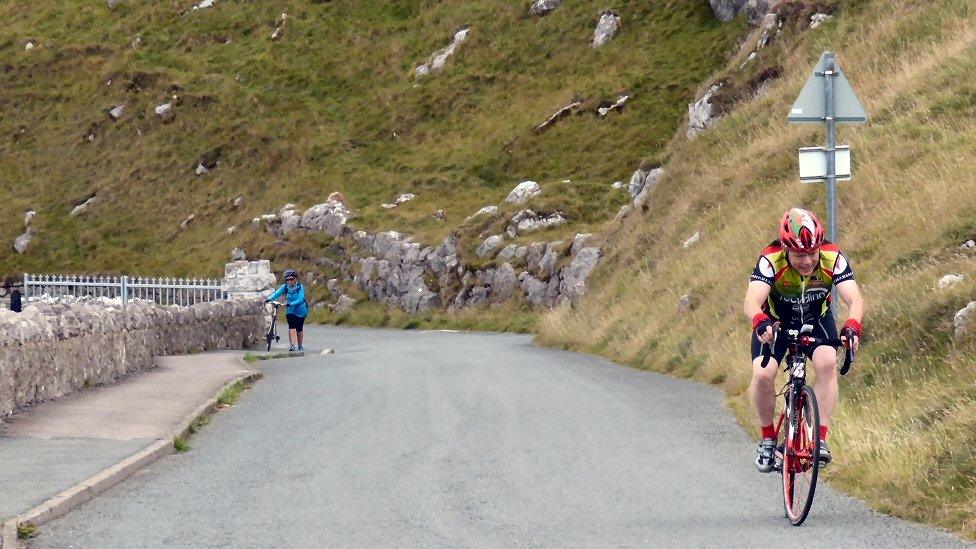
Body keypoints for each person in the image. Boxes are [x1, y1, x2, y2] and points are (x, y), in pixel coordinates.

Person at [744, 208, 864, 472]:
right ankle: (767, 438)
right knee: (763, 375)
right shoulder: (771, 259)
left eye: (812, 253)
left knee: (827, 363)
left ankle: (819, 438)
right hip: (775, 323)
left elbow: (854, 298)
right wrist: (759, 320)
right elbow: (751, 301)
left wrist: (852, 324)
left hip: (816, 319)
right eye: (800, 255)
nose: (808, 261)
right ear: (786, 249)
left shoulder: (833, 256)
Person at [264, 269, 309, 352]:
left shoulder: (300, 287)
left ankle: (299, 345)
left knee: (299, 328)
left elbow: (300, 298)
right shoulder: (285, 287)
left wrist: (291, 303)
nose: (289, 281)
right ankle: (292, 345)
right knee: (292, 326)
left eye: (291, 279)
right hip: (290, 309)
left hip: (300, 309)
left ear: (295, 279)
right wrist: (268, 299)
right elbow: (277, 293)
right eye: (287, 279)